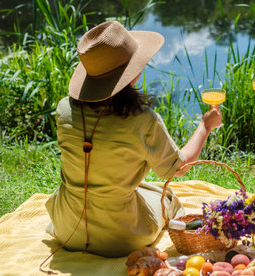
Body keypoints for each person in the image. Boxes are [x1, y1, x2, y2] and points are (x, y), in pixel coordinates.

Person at [45, 21, 222, 258]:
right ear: (132, 70)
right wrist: (204, 126)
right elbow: (179, 168)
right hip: (122, 236)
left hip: (66, 228)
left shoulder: (64, 109)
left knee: (143, 189)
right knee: (167, 198)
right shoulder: (142, 119)